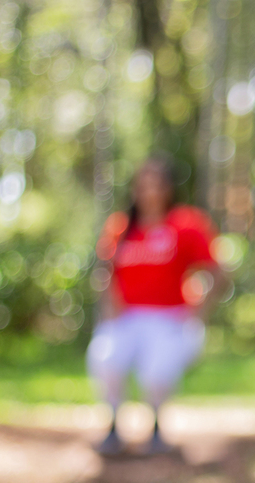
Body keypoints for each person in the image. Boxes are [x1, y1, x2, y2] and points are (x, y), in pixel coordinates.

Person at [86, 156, 229, 455]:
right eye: (143, 183)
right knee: (105, 360)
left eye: (156, 183)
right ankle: (113, 428)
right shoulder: (121, 227)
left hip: (170, 317)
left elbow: (218, 271)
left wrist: (198, 311)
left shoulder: (186, 224)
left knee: (157, 373)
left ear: (168, 188)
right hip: (127, 317)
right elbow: (105, 272)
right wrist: (110, 305)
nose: (149, 190)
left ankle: (155, 430)